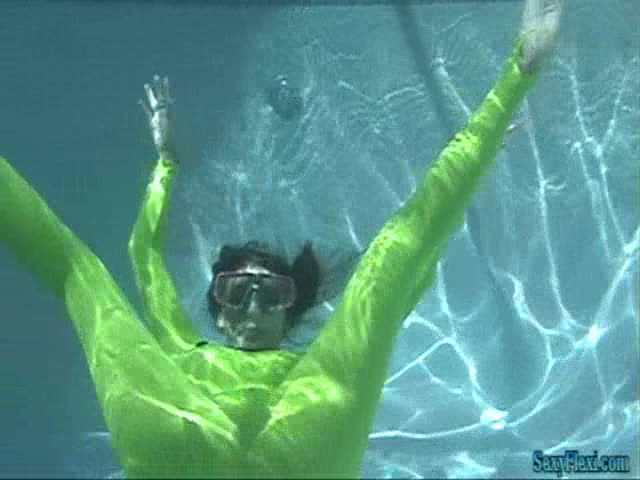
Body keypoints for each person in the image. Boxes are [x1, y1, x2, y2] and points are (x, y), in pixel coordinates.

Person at [0, 0, 561, 477]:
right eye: (235, 291)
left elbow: (415, 242)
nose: (251, 306)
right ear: (218, 311)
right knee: (81, 272)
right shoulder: (184, 347)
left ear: (290, 310)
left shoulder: (316, 365)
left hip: (270, 430)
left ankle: (521, 66)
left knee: (391, 261)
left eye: (271, 294)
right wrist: (165, 163)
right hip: (211, 425)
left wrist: (513, 85)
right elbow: (140, 253)